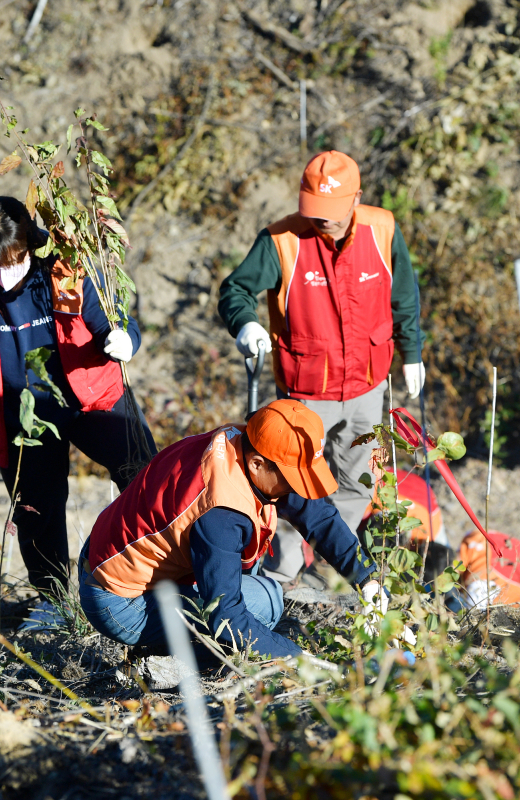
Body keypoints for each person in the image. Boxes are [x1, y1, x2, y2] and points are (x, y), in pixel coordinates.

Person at [0, 196, 155, 628]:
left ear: (30, 243)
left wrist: (124, 339)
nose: (5, 273)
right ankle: (52, 599)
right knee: (38, 508)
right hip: (24, 416)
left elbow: (110, 315)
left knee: (142, 471)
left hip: (91, 395)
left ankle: (157, 572)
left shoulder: (63, 266)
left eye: (15, 260)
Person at [217, 150, 424, 584]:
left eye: (330, 211)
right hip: (305, 393)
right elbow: (235, 289)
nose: (322, 220)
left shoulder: (382, 229)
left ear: (356, 199)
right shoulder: (282, 240)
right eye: (314, 210)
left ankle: (328, 566)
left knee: (358, 483)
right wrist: (246, 323)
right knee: (290, 485)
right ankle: (280, 572)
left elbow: (404, 296)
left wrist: (413, 353)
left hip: (369, 387)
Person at [79, 399, 382, 658]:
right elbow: (227, 616)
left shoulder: (241, 440)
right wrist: (295, 658)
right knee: (265, 601)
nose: (296, 489)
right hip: (120, 601)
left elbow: (318, 516)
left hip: (106, 554)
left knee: (254, 589)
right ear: (257, 465)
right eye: (292, 478)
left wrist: (368, 580)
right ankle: (169, 657)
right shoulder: (220, 512)